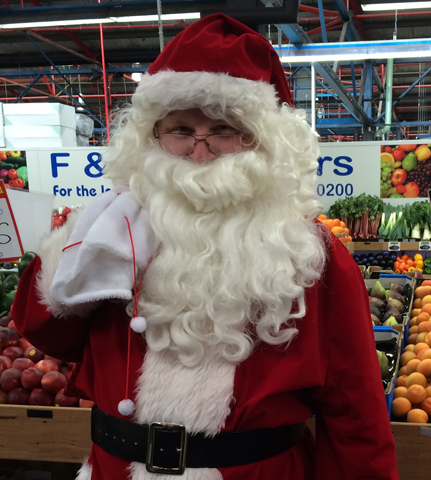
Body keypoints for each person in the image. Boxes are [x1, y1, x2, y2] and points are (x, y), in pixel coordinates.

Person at [13, 13, 399, 480]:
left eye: (223, 129)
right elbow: (47, 334)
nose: (200, 152)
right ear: (151, 139)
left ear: (263, 143)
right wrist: (73, 244)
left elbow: (354, 411)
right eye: (180, 130)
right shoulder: (115, 233)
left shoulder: (308, 252)